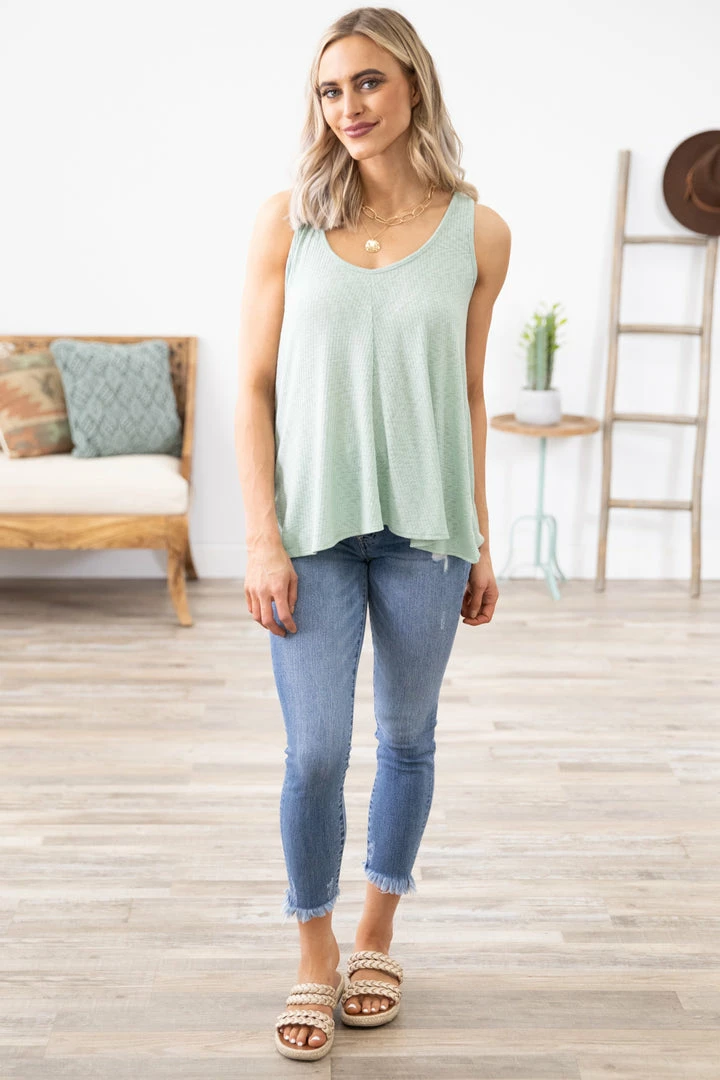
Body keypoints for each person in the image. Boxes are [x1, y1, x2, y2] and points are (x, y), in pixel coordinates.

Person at [235, 6, 511, 1062]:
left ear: (413, 87)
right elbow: (252, 388)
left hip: (428, 533)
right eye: (329, 89)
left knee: (407, 739)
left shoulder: (480, 232)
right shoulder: (288, 221)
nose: (346, 106)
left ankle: (377, 936)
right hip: (310, 527)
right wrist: (259, 538)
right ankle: (314, 952)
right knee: (316, 752)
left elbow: (470, 393)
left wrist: (479, 536)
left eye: (367, 83)